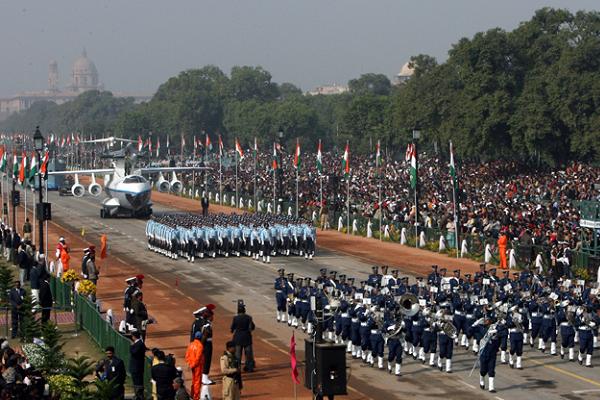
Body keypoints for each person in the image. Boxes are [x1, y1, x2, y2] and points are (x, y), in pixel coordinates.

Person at [230, 301, 255, 372]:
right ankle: (249, 367)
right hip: (247, 338)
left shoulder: (235, 318)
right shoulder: (249, 318)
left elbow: (232, 328)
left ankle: (237, 368)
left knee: (237, 355)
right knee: (248, 354)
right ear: (244, 310)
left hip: (237, 338)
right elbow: (252, 327)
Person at [185, 331, 205, 400]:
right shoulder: (200, 346)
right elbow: (198, 357)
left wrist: (190, 364)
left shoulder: (191, 344)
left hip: (192, 365)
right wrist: (193, 365)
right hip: (197, 366)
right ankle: (196, 397)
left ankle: (192, 394)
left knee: (194, 381)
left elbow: (187, 356)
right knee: (197, 381)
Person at [130, 330, 147, 400]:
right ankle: (137, 395)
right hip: (136, 367)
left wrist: (132, 346)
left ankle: (139, 396)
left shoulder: (139, 344)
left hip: (137, 367)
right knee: (136, 382)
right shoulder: (139, 343)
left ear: (134, 337)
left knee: (138, 382)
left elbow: (133, 352)